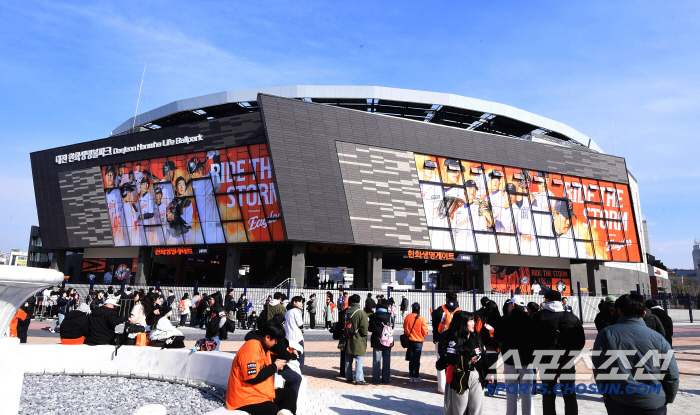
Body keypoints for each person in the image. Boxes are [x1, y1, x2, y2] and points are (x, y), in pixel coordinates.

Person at [593, 294, 679, 415]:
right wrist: (668, 397)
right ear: (644, 313)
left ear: (619, 311)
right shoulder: (658, 338)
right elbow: (672, 374)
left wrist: (605, 392)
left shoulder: (606, 334)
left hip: (619, 401)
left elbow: (600, 368)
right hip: (653, 402)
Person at [531, 290, 585, 415]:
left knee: (548, 395)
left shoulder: (539, 317)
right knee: (569, 394)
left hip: (546, 361)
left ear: (547, 300)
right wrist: (572, 354)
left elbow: (531, 338)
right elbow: (580, 340)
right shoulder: (572, 317)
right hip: (567, 361)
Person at [225, 321, 296, 415]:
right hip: (245, 397)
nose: (276, 343)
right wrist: (274, 367)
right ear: (267, 337)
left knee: (289, 393)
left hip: (259, 391)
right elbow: (253, 378)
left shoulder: (262, 346)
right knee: (272, 410)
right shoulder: (252, 348)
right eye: (275, 341)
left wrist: (276, 364)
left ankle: (286, 413)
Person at [437, 311, 489, 415]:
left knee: (476, 407)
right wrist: (467, 360)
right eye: (470, 320)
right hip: (459, 377)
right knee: (459, 410)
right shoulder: (451, 337)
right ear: (463, 322)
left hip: (476, 375)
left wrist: (488, 373)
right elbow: (447, 358)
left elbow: (484, 355)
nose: (473, 323)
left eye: (473, 320)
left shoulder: (476, 337)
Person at [494, 296, 534, 415]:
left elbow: (497, 337)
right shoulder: (529, 320)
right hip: (526, 360)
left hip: (509, 359)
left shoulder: (504, 319)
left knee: (511, 394)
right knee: (526, 394)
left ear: (513, 305)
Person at [431, 291, 460, 395]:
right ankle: (453, 384)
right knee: (454, 362)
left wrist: (435, 338)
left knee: (441, 362)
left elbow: (435, 325)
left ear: (446, 299)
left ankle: (441, 388)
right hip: (456, 341)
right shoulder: (459, 311)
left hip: (442, 340)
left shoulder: (440, 310)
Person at [344, 294, 369, 385]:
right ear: (359, 301)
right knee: (359, 359)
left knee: (348, 358)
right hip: (358, 339)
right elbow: (364, 328)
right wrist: (364, 334)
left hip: (347, 337)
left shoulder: (346, 311)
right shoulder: (361, 313)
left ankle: (348, 377)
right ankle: (359, 378)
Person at [475, 300, 501, 387]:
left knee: (484, 367)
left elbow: (477, 332)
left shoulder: (481, 318)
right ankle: (493, 386)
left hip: (484, 347)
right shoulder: (499, 319)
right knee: (493, 368)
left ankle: (485, 384)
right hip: (495, 347)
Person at [368, 299, 393, 384]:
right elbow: (391, 328)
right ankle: (386, 379)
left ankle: (376, 379)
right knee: (386, 361)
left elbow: (370, 328)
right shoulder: (389, 317)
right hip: (387, 341)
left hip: (377, 340)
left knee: (376, 361)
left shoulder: (373, 316)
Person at [404, 302, 429, 382]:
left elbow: (405, 329)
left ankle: (411, 376)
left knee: (411, 358)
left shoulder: (408, 317)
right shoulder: (421, 318)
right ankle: (416, 376)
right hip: (419, 340)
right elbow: (425, 331)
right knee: (417, 359)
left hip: (410, 340)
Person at [284, 296, 305, 370]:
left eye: (301, 302)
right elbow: (300, 324)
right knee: (300, 356)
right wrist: (303, 329)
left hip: (288, 336)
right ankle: (299, 372)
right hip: (297, 337)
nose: (301, 303)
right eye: (299, 302)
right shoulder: (296, 311)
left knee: (291, 355)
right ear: (294, 302)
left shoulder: (287, 311)